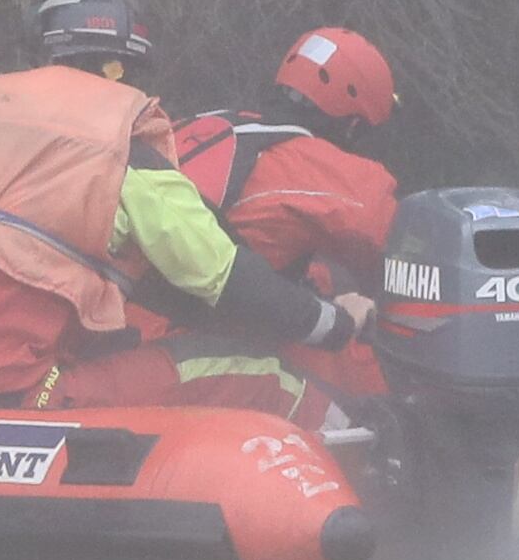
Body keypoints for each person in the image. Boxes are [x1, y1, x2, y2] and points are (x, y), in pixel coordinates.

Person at [0, 0, 368, 406]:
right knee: (265, 373)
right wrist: (332, 325)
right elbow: (223, 278)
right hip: (25, 397)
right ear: (124, 71)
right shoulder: (123, 146)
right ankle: (371, 469)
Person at [163, 25, 409, 405]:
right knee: (334, 397)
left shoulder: (199, 126)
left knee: (316, 284)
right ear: (354, 124)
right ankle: (387, 453)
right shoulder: (318, 168)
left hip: (114, 331)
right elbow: (397, 249)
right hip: (177, 348)